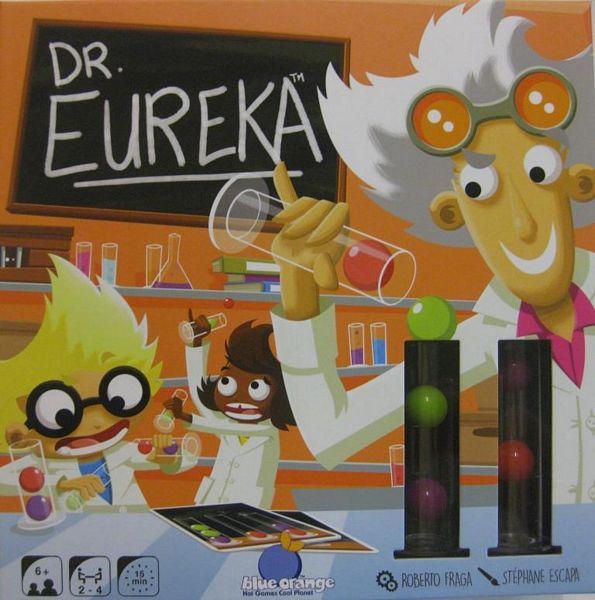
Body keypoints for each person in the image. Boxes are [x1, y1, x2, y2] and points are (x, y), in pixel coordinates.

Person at [268, 0, 594, 503]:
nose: (522, 223)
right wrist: (298, 292)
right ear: (452, 212)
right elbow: (332, 434)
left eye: (538, 174)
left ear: (578, 182)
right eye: (482, 191)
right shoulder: (485, 337)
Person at [0, 256, 193, 512]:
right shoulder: (42, 463)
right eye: (61, 414)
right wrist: (62, 483)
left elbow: (186, 460)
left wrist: (168, 455)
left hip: (134, 530)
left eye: (116, 401)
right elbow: (6, 478)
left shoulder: (121, 452)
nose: (99, 422)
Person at [165, 313, 295, 508]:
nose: (237, 399)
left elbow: (228, 428)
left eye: (256, 388)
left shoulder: (267, 431)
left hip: (249, 508)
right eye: (227, 383)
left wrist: (186, 416)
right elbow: (198, 392)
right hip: (210, 502)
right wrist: (197, 342)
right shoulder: (226, 423)